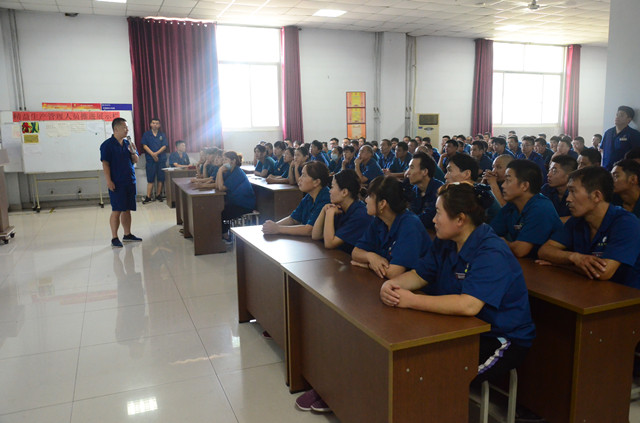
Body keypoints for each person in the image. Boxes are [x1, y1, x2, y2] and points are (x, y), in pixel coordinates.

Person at [380, 182, 535, 386]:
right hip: (460, 327)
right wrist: (391, 285)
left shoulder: (491, 251)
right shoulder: (446, 240)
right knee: (408, 360)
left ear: (460, 219)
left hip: (500, 338)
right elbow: (419, 275)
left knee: (431, 375)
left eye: (438, 213)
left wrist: (411, 300)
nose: (433, 219)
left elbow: (468, 305)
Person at [538, 166, 640, 289]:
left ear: (596, 196)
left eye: (573, 191)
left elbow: (602, 272)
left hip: (626, 296)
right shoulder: (577, 220)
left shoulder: (627, 223)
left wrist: (559, 264)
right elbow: (544, 251)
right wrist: (574, 257)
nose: (568, 199)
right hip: (590, 289)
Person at [351, 176, 431, 279]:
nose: (366, 200)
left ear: (382, 204)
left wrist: (367, 265)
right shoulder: (379, 220)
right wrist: (370, 256)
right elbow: (355, 252)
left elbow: (394, 273)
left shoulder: (410, 225)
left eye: (370, 196)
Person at [490, 160, 563, 258]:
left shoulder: (541, 208)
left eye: (508, 180)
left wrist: (503, 242)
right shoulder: (512, 206)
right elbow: (489, 234)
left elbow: (520, 250)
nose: (503, 185)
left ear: (524, 186)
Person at [100, 117, 142, 248]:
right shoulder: (107, 145)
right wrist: (109, 181)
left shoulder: (128, 143)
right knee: (117, 210)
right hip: (117, 182)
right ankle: (114, 237)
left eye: (127, 127)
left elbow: (136, 160)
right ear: (116, 129)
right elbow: (105, 164)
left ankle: (127, 234)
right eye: (125, 127)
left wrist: (133, 151)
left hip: (129, 181)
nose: (127, 130)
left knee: (127, 209)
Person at [311, 169, 372, 254]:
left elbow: (329, 244)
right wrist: (324, 210)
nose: (329, 191)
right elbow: (316, 235)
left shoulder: (360, 214)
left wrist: (329, 214)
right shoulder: (340, 208)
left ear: (344, 192)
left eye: (332, 187)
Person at [262, 161, 331, 236]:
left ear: (316, 182)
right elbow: (293, 219)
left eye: (304, 175)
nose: (299, 179)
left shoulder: (326, 198)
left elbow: (309, 230)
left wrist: (278, 229)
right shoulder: (309, 196)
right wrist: (273, 226)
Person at [445, 153, 501, 222]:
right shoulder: (463, 192)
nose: (445, 176)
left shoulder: (481, 196)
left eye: (450, 170)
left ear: (467, 174)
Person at [215, 151, 256, 239]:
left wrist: (220, 170)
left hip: (244, 205)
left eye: (226, 160)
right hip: (235, 202)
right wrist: (219, 171)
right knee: (217, 209)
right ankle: (222, 234)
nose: (223, 162)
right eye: (223, 160)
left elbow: (221, 188)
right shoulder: (230, 171)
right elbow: (217, 186)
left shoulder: (237, 172)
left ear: (233, 161)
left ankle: (226, 236)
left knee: (222, 213)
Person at [403, 152, 443, 230]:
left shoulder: (439, 191)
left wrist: (406, 221)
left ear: (424, 171)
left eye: (411, 168)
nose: (407, 173)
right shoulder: (414, 189)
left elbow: (428, 219)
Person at [601, 106, 640, 171]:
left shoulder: (634, 134)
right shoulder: (608, 133)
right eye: (617, 115)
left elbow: (636, 155)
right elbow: (602, 149)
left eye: (621, 115)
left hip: (624, 170)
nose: (617, 117)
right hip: (606, 169)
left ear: (629, 119)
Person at [541, 155, 577, 222]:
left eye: (554, 171)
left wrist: (551, 221)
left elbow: (579, 218)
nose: (548, 174)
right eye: (549, 170)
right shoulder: (546, 189)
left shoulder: (577, 194)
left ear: (569, 176)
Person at [141, 117, 168, 203]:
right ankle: (148, 196)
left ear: (159, 125)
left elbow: (164, 146)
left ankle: (158, 195)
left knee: (161, 178)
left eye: (157, 123)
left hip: (161, 159)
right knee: (150, 179)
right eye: (153, 123)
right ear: (150, 124)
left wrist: (156, 153)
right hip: (150, 160)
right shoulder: (146, 134)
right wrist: (153, 154)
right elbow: (144, 145)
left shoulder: (162, 135)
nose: (155, 125)